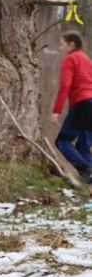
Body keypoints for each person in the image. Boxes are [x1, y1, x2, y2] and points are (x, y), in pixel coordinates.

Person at [51, 31, 92, 184]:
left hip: (82, 104)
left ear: (71, 44)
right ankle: (90, 183)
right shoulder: (87, 59)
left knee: (62, 142)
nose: (61, 48)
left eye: (63, 44)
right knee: (83, 146)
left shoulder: (69, 59)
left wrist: (56, 111)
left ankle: (86, 169)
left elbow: (65, 85)